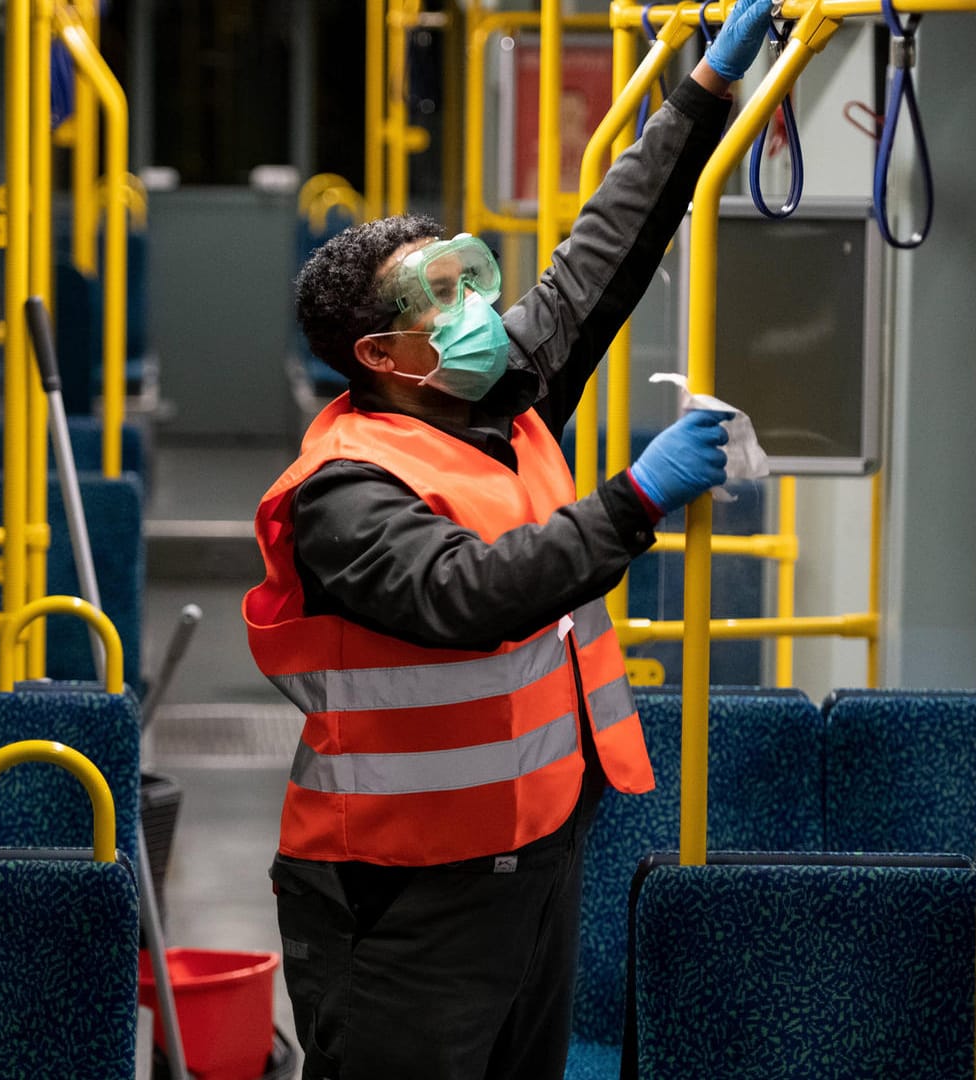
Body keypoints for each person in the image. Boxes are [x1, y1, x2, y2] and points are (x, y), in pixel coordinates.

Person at [244, 5, 778, 1076]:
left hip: (535, 853)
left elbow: (608, 246)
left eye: (471, 278)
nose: (486, 306)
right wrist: (634, 496)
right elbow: (467, 596)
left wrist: (705, 89)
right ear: (385, 353)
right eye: (448, 298)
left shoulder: (503, 390)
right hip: (402, 900)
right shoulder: (340, 491)